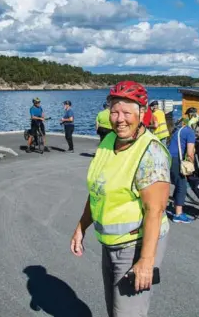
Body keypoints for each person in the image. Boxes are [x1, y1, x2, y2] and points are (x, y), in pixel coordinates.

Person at [70, 81, 171, 317]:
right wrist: (81, 227)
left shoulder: (150, 152)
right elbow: (98, 190)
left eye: (127, 112)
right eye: (114, 111)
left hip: (136, 245)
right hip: (110, 244)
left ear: (142, 113)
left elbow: (154, 210)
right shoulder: (108, 141)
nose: (119, 119)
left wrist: (146, 261)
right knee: (115, 310)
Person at [167, 124, 196, 223]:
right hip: (176, 160)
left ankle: (176, 206)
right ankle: (178, 214)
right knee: (182, 185)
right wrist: (192, 166)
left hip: (169, 157)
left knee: (178, 183)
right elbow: (190, 153)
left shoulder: (181, 130)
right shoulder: (190, 133)